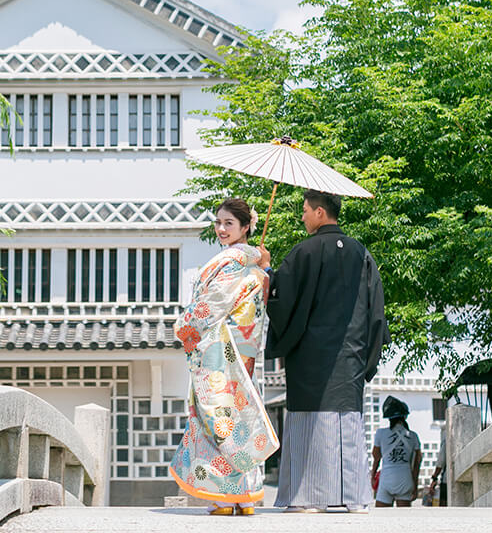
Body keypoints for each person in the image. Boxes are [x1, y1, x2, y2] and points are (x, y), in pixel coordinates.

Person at [262, 189, 389, 512]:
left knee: (311, 422)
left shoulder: (304, 253)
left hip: (311, 358)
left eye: (305, 210)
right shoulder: (362, 254)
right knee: (347, 421)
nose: (302, 216)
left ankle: (309, 498)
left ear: (320, 213)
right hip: (350, 357)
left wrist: (266, 272)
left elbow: (281, 301)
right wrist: (367, 356)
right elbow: (376, 311)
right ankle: (353, 498)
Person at [169, 198, 279, 516]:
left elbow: (211, 305)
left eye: (229, 223)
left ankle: (226, 496)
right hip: (244, 351)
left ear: (246, 227)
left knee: (218, 418)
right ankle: (247, 495)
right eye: (218, 222)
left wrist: (184, 326)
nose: (221, 229)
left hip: (221, 349)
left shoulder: (231, 262)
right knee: (240, 417)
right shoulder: (256, 267)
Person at [371, 396, 421, 507]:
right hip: (405, 478)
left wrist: (372, 476)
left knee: (381, 518)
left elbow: (376, 457)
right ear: (404, 416)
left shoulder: (380, 433)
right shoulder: (413, 436)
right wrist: (415, 486)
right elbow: (417, 464)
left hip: (386, 477)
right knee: (403, 519)